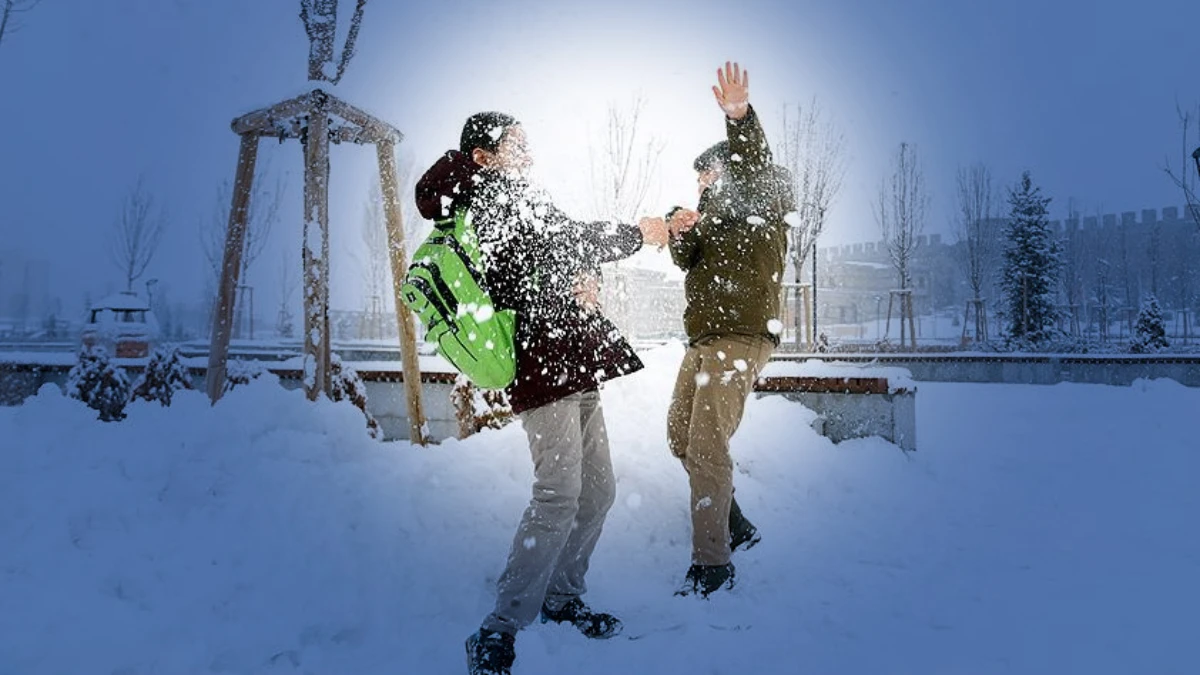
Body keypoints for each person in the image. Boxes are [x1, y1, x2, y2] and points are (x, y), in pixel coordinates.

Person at [415, 112, 669, 675]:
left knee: (598, 490)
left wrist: (586, 278)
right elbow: (563, 242)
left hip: (573, 359)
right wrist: (637, 234)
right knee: (558, 493)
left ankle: (562, 597)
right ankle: (498, 628)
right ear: (483, 156)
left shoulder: (521, 196)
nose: (528, 155)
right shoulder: (486, 198)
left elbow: (561, 248)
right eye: (517, 145)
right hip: (541, 364)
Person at [664, 62, 795, 597]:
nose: (702, 184)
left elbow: (753, 161)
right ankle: (734, 522)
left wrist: (739, 117)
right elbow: (686, 259)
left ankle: (713, 567)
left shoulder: (761, 195)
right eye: (699, 179)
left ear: (730, 170)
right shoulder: (712, 218)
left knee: (706, 445)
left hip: (740, 335)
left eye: (708, 175)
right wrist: (678, 228)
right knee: (680, 435)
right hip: (705, 338)